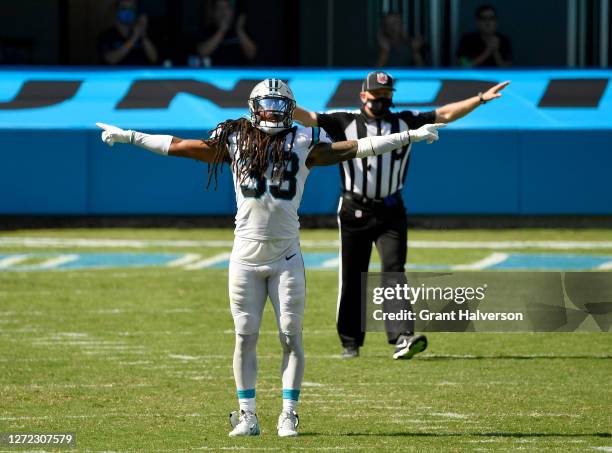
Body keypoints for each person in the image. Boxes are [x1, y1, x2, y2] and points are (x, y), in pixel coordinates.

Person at [96, 79, 445, 437]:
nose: (274, 112)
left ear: (290, 109)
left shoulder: (305, 140)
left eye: (280, 105)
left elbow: (358, 147)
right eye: (268, 105)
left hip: (286, 256)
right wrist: (130, 136)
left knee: (291, 337)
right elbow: (181, 146)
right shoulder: (235, 138)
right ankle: (247, 415)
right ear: (254, 107)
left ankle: (288, 414)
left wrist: (409, 136)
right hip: (245, 257)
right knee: (244, 337)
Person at [294, 71, 509, 359]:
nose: (382, 99)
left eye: (387, 94)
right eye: (377, 94)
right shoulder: (344, 121)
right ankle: (350, 342)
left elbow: (444, 114)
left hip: (391, 209)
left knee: (394, 272)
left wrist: (480, 99)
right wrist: (277, 102)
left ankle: (403, 336)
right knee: (353, 276)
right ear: (363, 96)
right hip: (353, 208)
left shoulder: (405, 121)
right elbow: (308, 117)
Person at [196, 0, 257, 66]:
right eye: (219, 8)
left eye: (226, 8)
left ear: (232, 12)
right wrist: (222, 31)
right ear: (213, 13)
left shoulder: (241, 30)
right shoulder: (208, 31)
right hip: (215, 74)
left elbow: (252, 54)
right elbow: (202, 53)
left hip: (239, 74)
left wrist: (239, 31)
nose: (223, 12)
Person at [98, 0, 158, 66]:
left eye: (131, 8)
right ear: (116, 11)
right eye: (124, 8)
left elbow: (154, 59)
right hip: (117, 75)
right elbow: (111, 59)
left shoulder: (141, 35)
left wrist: (142, 33)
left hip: (139, 75)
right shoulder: (106, 35)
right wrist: (134, 37)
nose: (128, 11)